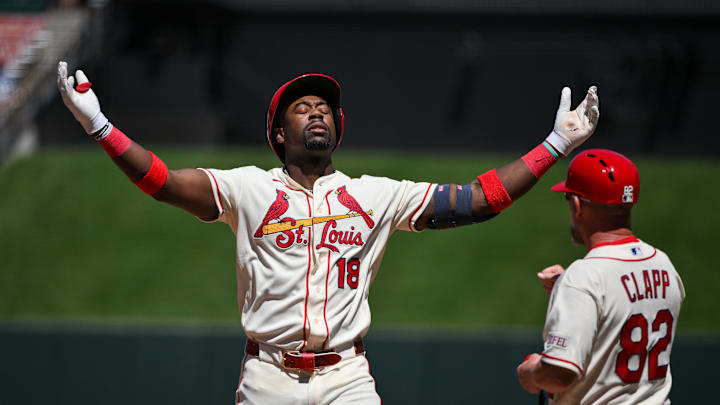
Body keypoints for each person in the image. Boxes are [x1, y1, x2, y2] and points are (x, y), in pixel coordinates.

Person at [57, 60, 598, 404]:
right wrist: (99, 126)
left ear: (338, 128)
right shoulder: (249, 188)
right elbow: (165, 183)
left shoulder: (375, 194)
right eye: (302, 107)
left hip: (347, 378)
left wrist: (556, 144)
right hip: (269, 375)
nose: (317, 111)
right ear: (278, 132)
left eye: (325, 108)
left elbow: (478, 200)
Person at [516, 149, 685, 404]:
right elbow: (626, 302)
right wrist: (569, 290)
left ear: (576, 205)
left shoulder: (583, 278)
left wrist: (532, 372)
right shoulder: (664, 265)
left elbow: (559, 375)